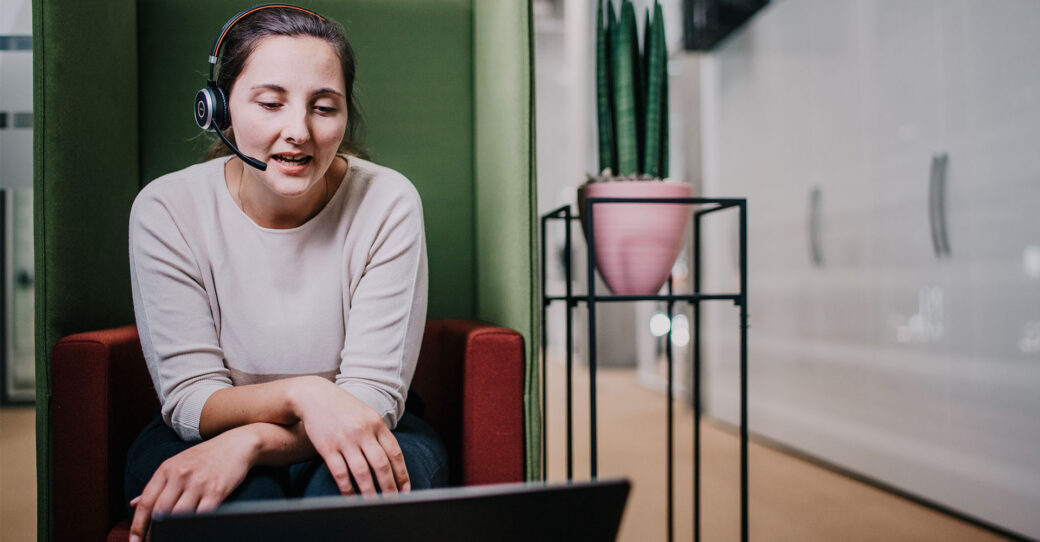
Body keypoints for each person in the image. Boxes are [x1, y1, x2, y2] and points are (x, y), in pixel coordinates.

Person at [124, 6, 446, 541]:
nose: (297, 132)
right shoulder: (166, 208)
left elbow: (372, 400)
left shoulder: (388, 201)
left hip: (366, 426)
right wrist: (306, 395)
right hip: (202, 434)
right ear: (219, 108)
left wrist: (251, 442)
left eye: (324, 107)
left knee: (336, 506)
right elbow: (190, 400)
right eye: (270, 103)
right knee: (242, 510)